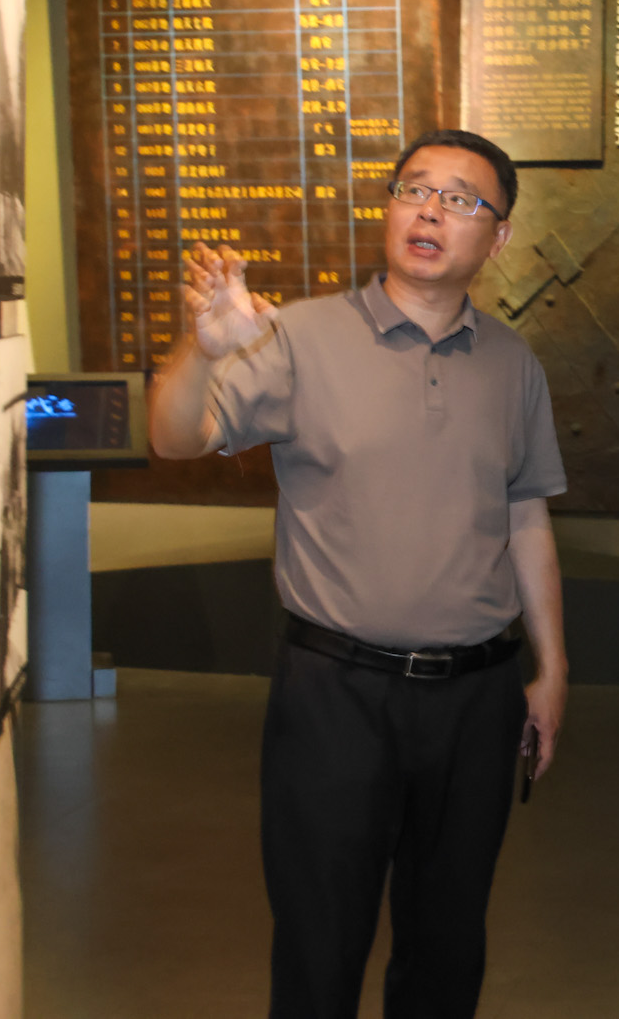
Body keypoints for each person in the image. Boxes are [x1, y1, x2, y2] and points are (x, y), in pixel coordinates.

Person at [149, 128, 568, 1019]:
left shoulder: (512, 363)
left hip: (477, 696)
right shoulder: (296, 336)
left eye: (460, 199)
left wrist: (553, 665)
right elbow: (175, 437)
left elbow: (526, 512)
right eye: (415, 188)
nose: (430, 210)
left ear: (497, 237)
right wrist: (204, 350)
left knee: (448, 941)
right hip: (335, 693)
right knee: (319, 939)